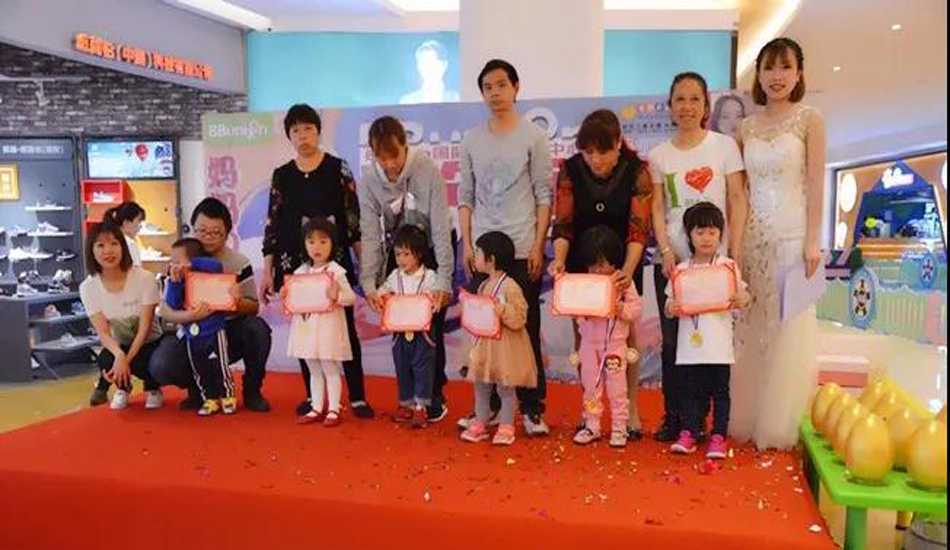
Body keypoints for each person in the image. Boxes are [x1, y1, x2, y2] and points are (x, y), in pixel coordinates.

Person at [731, 38, 826, 450]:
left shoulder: (810, 119)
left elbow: (816, 184)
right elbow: (739, 194)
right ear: (759, 74)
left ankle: (780, 425)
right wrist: (735, 246)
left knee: (789, 332)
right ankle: (749, 417)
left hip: (793, 239)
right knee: (754, 329)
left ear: (799, 73)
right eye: (769, 68)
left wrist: (812, 240)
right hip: (753, 239)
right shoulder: (745, 128)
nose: (777, 76)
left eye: (786, 67)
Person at [649, 71, 748, 443]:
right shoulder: (659, 155)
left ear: (706, 105)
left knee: (712, 342)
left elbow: (738, 199)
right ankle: (676, 417)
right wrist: (665, 250)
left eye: (695, 99)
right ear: (670, 105)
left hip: (715, 265)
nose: (687, 106)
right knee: (673, 343)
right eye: (680, 99)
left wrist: (734, 252)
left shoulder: (724, 147)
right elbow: (658, 207)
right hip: (675, 265)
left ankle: (708, 420)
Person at [457, 59, 553, 436]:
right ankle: (490, 408)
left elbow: (543, 194)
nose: (495, 93)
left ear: (516, 87)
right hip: (484, 252)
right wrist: (467, 243)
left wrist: (538, 245)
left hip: (522, 247)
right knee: (484, 331)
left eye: (501, 85)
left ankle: (531, 408)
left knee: (524, 329)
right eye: (488, 87)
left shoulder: (534, 137)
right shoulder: (471, 139)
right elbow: (465, 196)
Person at [259, 104, 373, 419]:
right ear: (289, 136)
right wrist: (268, 270)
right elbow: (272, 225)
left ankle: (357, 396)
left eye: (308, 128)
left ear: (318, 131)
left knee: (344, 329)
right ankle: (314, 397)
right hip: (293, 264)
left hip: (333, 264)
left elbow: (353, 221)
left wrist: (364, 266)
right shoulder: (282, 175)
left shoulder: (338, 168)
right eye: (295, 130)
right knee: (305, 331)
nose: (302, 136)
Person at [549, 108, 652, 441]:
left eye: (603, 151)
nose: (595, 159)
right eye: (588, 151)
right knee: (585, 340)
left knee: (626, 339)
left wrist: (627, 272)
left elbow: (639, 229)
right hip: (583, 265)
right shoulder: (570, 169)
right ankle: (590, 411)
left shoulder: (637, 171)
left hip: (622, 264)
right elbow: (563, 224)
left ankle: (629, 411)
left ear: (619, 143)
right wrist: (560, 261)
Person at [359, 115, 454, 422]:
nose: (389, 164)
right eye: (381, 158)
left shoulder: (427, 170)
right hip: (399, 252)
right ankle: (409, 398)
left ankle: (433, 396)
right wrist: (369, 283)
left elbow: (441, 229)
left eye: (394, 156)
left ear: (405, 145)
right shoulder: (369, 180)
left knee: (430, 329)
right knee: (402, 333)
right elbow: (370, 234)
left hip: (430, 250)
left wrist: (444, 280)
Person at [149, 198, 272, 412]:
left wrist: (234, 301)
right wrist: (189, 316)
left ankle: (252, 390)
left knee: (258, 330)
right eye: (202, 231)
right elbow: (167, 310)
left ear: (227, 233)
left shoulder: (238, 262)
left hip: (227, 330)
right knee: (161, 365)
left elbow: (254, 307)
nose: (208, 237)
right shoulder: (180, 259)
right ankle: (199, 390)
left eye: (216, 232)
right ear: (192, 228)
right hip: (191, 330)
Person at [664, 202, 749, 458]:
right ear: (689, 235)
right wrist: (671, 308)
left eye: (712, 232)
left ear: (721, 234)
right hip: (689, 347)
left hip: (719, 346)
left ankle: (719, 436)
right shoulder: (681, 270)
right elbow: (669, 303)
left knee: (720, 392)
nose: (706, 238)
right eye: (700, 232)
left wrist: (743, 299)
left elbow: (744, 295)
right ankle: (689, 432)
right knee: (689, 390)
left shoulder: (727, 266)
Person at [459, 232, 537, 446]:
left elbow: (520, 316)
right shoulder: (483, 285)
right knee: (481, 385)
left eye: (478, 253)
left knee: (506, 387)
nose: (475, 257)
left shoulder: (510, 286)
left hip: (504, 346)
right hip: (484, 345)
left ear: (491, 259)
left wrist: (502, 310)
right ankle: (481, 422)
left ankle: (506, 425)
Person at [569, 226, 643, 449]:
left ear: (614, 260)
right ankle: (592, 425)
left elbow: (636, 311)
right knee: (590, 386)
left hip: (615, 346)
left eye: (601, 264)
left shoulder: (624, 283)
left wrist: (621, 309)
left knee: (617, 389)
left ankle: (620, 427)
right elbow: (576, 311)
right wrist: (583, 314)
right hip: (589, 346)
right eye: (592, 265)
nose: (597, 270)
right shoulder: (586, 283)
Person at [81, 221, 163, 410]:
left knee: (156, 360)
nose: (108, 251)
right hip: (120, 343)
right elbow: (103, 332)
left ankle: (153, 387)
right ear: (91, 251)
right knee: (106, 358)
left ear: (123, 247)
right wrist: (119, 356)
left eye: (114, 243)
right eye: (100, 245)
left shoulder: (144, 278)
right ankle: (123, 387)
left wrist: (125, 360)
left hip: (149, 342)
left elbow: (144, 329)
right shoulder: (88, 287)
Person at [282, 218, 355, 427]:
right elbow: (293, 300)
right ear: (304, 244)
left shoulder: (336, 271)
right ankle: (316, 407)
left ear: (332, 244)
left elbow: (350, 298)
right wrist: (286, 294)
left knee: (329, 367)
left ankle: (333, 409)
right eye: (311, 241)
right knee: (313, 368)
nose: (317, 247)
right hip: (306, 328)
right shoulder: (300, 272)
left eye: (323, 241)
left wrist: (337, 296)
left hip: (328, 328)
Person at [376, 225, 442, 428]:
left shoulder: (429, 276)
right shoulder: (394, 276)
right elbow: (382, 291)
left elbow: (437, 297)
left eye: (406, 254)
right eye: (398, 254)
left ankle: (421, 408)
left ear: (419, 254)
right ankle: (407, 405)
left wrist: (434, 299)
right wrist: (383, 296)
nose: (401, 259)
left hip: (423, 332)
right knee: (402, 367)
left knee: (423, 368)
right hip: (399, 332)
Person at [163, 238, 236, 416]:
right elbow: (172, 304)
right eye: (172, 261)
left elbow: (216, 265)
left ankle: (228, 395)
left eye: (177, 261)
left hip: (215, 330)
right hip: (192, 333)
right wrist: (174, 283)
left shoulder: (209, 272)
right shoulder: (177, 281)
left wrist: (191, 264)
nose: (174, 265)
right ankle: (209, 398)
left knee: (221, 365)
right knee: (199, 368)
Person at [399, 40, 460, 105]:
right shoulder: (408, 101)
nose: (427, 68)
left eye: (432, 62)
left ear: (444, 65)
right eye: (423, 63)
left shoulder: (457, 99)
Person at [103, 201, 146, 266]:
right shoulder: (129, 244)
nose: (140, 226)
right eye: (138, 221)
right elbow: (136, 270)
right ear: (126, 222)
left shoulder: (109, 240)